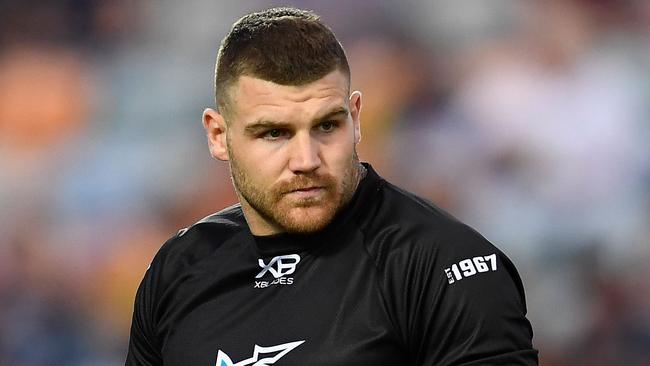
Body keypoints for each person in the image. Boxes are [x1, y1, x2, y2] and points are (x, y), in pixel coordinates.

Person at [126, 7, 538, 366]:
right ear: (218, 135)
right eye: (274, 133)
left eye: (326, 126)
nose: (307, 160)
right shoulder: (178, 269)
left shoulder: (442, 263)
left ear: (355, 118)